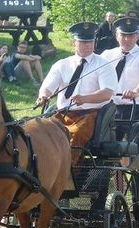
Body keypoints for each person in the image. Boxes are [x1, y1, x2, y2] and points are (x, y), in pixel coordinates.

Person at [101, 17, 139, 220]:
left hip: (137, 110)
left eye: (131, 35)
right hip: (111, 110)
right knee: (102, 154)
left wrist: (135, 91)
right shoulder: (107, 55)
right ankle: (101, 201)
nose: (127, 39)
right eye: (123, 35)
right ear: (117, 36)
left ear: (137, 36)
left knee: (138, 157)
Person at [36, 21, 117, 164]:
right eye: (83, 42)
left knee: (74, 134)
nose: (87, 46)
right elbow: (48, 86)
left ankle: (67, 170)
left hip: (91, 115)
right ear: (73, 42)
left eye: (90, 42)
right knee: (40, 133)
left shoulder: (103, 64)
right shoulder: (62, 64)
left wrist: (85, 98)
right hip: (63, 113)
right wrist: (43, 96)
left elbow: (107, 93)